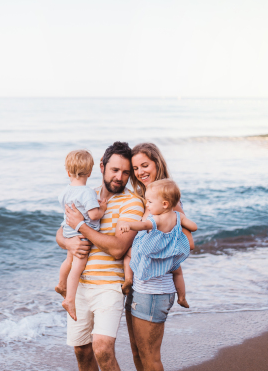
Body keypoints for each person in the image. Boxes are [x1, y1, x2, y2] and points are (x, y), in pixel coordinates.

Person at [59, 141, 144, 371]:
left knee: (103, 348)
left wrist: (82, 227)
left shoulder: (132, 203)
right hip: (81, 287)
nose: (120, 177)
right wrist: (69, 242)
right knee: (82, 351)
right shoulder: (86, 193)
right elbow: (60, 232)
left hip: (110, 286)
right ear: (102, 166)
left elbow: (118, 248)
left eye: (126, 172)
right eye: (115, 170)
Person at [124, 142, 194, 371]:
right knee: (138, 352)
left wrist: (154, 246)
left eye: (145, 165)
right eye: (135, 168)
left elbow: (188, 243)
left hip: (154, 291)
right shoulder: (147, 196)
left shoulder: (168, 202)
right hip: (141, 286)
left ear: (157, 163)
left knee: (150, 357)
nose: (140, 171)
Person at [118, 179, 197, 309]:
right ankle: (182, 297)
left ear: (165, 204)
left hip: (153, 253)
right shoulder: (178, 216)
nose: (147, 205)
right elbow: (193, 227)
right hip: (170, 253)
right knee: (178, 273)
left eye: (149, 202)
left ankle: (128, 279)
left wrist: (129, 225)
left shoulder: (156, 219)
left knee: (128, 254)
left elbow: (143, 225)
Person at [56, 149, 108, 321]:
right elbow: (93, 215)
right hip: (81, 235)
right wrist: (102, 209)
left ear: (67, 171)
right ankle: (70, 299)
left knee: (68, 260)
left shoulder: (65, 191)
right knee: (77, 267)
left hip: (68, 232)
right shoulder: (87, 192)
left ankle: (61, 284)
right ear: (90, 171)